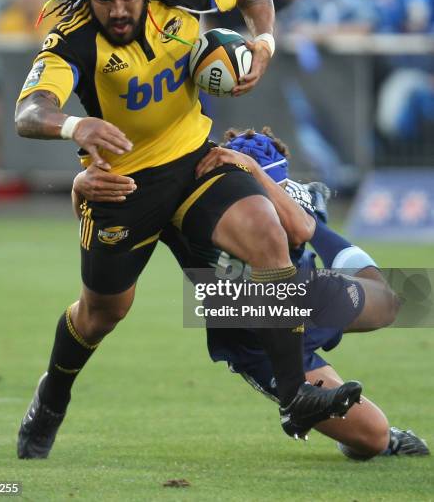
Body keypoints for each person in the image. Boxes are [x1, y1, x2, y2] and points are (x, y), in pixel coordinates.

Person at [15, 0, 362, 459]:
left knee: (267, 234)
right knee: (102, 312)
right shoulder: (74, 37)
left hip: (197, 159)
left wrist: (264, 43)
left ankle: (296, 395)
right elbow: (29, 110)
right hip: (125, 187)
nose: (119, 9)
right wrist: (73, 127)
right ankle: (52, 396)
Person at [73, 127, 428, 459]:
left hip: (309, 298)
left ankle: (336, 237)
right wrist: (81, 186)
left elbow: (303, 231)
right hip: (249, 334)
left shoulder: (284, 200)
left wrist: (258, 174)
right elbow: (102, 218)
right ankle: (380, 437)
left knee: (394, 301)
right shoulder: (191, 204)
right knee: (374, 438)